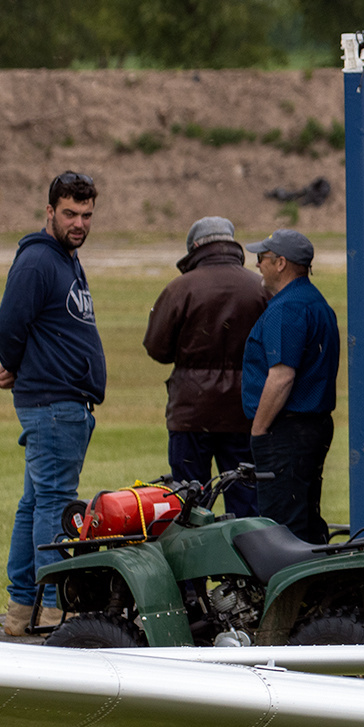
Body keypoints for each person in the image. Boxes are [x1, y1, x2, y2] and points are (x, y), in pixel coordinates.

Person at [0, 171, 106, 636]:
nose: (78, 222)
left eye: (86, 215)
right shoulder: (39, 262)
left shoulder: (67, 259)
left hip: (61, 400)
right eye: (69, 213)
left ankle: (22, 610)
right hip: (53, 402)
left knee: (34, 503)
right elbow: (9, 324)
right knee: (55, 505)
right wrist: (14, 365)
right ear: (49, 212)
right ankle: (57, 608)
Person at [143, 216, 267, 516]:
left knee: (188, 503)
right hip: (244, 410)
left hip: (191, 412)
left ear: (195, 248)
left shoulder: (179, 289)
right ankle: (246, 561)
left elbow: (157, 348)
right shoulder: (260, 288)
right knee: (246, 502)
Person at [241, 228, 339, 544]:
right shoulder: (316, 302)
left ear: (281, 263)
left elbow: (282, 376)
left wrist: (258, 431)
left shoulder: (287, 308)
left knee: (282, 529)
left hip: (287, 433)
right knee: (307, 520)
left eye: (263, 258)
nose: (258, 265)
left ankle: (288, 592)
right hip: (312, 427)